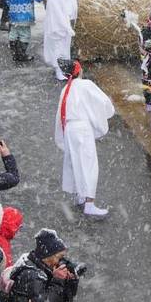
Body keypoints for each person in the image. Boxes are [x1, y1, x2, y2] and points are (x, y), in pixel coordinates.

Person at [54, 60, 115, 217]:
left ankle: (80, 195)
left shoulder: (66, 89)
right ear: (78, 71)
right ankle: (89, 203)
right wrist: (104, 114)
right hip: (82, 129)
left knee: (75, 162)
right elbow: (104, 102)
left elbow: (59, 115)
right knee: (88, 164)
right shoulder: (85, 84)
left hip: (69, 129)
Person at [43, 0, 78, 81]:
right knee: (59, 51)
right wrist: (68, 28)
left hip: (58, 29)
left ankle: (62, 70)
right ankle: (59, 71)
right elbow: (59, 16)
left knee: (60, 50)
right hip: (57, 29)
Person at [7, 0, 43, 64]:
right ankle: (21, 55)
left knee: (14, 33)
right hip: (24, 14)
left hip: (13, 14)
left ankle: (15, 53)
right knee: (24, 35)